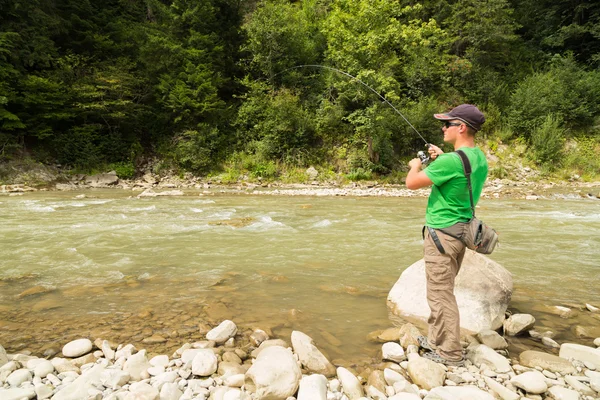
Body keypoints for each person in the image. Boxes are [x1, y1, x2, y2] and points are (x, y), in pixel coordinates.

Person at [405, 104, 488, 366]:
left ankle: (449, 354)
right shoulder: (476, 157)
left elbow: (411, 183)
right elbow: (458, 175)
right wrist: (441, 157)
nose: (443, 128)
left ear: (461, 127)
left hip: (441, 235)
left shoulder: (453, 161)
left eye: (447, 124)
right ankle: (437, 340)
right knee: (442, 291)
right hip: (460, 232)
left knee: (440, 294)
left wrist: (415, 165)